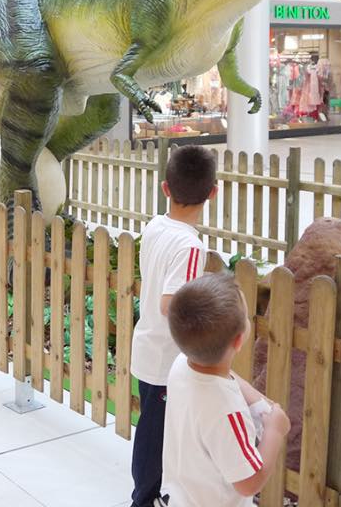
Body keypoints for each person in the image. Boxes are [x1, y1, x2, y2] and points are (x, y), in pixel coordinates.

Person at [129, 144, 217, 507]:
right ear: (213, 192)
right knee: (154, 434)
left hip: (147, 344)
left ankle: (152, 494)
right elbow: (172, 304)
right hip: (168, 358)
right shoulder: (191, 246)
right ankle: (144, 499)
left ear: (165, 187)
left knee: (154, 427)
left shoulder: (155, 227)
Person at [163, 274, 291, 507]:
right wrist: (274, 430)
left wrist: (259, 401)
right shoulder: (228, 413)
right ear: (239, 341)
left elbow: (226, 377)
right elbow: (248, 482)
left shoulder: (181, 364)